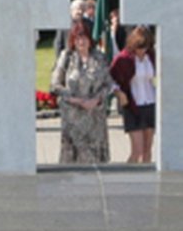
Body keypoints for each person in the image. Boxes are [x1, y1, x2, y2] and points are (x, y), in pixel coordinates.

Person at [50, 21, 112, 164]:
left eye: (84, 37)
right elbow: (55, 85)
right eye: (77, 38)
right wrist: (76, 100)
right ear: (73, 40)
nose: (81, 42)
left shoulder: (99, 57)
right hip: (73, 120)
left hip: (95, 120)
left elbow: (108, 84)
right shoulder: (66, 57)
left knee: (95, 165)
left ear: (90, 39)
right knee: (73, 164)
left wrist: (97, 99)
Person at [110, 25, 156, 163]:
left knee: (147, 150)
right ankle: (128, 174)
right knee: (137, 152)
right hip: (132, 105)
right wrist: (119, 93)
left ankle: (146, 176)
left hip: (150, 104)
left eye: (145, 47)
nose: (142, 51)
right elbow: (110, 79)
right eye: (139, 47)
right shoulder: (123, 58)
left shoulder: (151, 56)